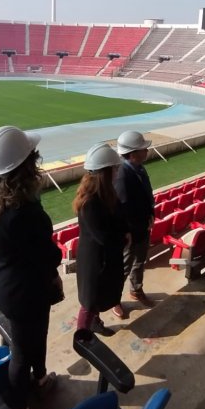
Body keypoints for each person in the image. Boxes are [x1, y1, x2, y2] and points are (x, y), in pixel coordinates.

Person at [0, 125, 61, 409]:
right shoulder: (26, 212)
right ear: (24, 167)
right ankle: (19, 408)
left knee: (29, 341)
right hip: (27, 294)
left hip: (7, 287)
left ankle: (39, 378)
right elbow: (47, 256)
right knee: (22, 352)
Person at [74, 143, 129, 336]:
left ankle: (94, 324)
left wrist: (125, 232)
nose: (117, 172)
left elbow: (119, 217)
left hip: (103, 259)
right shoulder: (90, 203)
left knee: (95, 299)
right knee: (89, 302)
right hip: (94, 261)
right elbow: (104, 237)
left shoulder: (106, 193)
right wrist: (124, 239)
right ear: (105, 172)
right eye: (114, 168)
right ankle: (82, 336)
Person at [113, 130, 156, 319]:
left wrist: (151, 214)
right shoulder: (122, 176)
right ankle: (114, 299)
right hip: (130, 233)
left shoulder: (139, 168)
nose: (146, 151)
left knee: (140, 262)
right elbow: (121, 209)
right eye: (142, 149)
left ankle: (136, 289)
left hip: (143, 228)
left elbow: (147, 194)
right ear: (132, 154)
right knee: (124, 267)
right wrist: (127, 232)